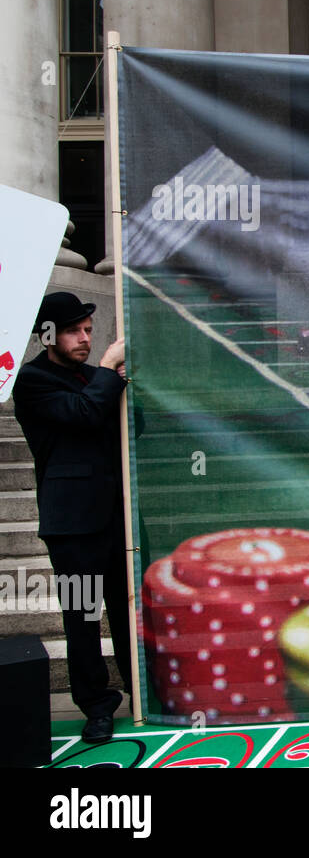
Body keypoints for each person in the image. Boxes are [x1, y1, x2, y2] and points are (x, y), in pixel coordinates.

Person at [13, 292, 133, 744]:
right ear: (48, 335)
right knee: (81, 618)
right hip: (70, 526)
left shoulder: (94, 376)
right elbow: (83, 414)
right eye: (73, 331)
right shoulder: (32, 381)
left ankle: (140, 694)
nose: (84, 338)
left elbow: (124, 429)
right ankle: (97, 706)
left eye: (87, 330)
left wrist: (119, 382)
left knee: (126, 613)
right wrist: (107, 366)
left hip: (116, 517)